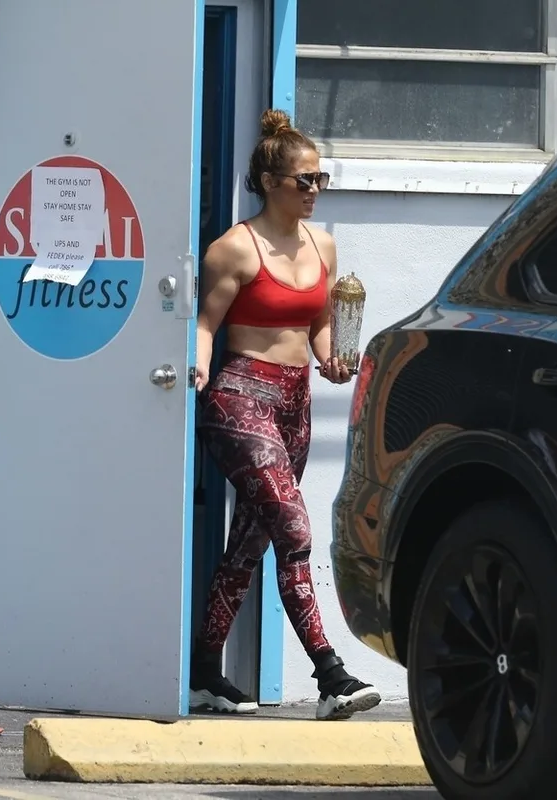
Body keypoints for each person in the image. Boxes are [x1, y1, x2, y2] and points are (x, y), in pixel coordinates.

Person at [190, 109, 379, 721]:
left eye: (321, 178)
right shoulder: (235, 248)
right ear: (271, 183)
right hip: (241, 398)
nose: (315, 189)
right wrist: (197, 368)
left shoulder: (323, 245)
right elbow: (205, 323)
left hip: (296, 403)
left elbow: (319, 321)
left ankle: (203, 673)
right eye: (305, 180)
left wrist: (332, 360)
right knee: (294, 529)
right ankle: (330, 675)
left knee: (248, 544)